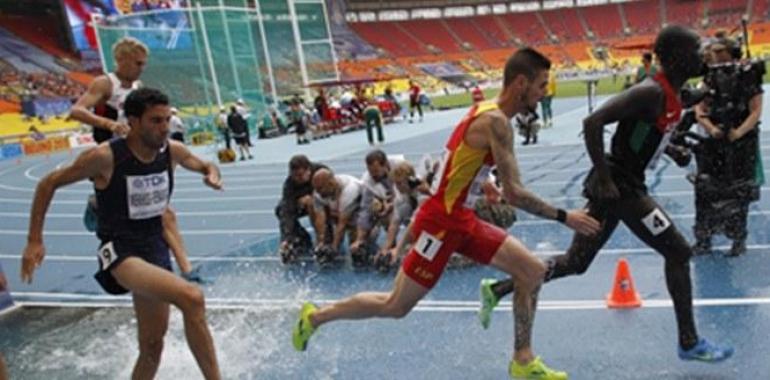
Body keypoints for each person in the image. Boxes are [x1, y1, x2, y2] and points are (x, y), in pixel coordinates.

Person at [292, 48, 601, 379]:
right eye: (541, 85)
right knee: (395, 306)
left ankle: (522, 361)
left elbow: (458, 161)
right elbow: (515, 193)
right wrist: (564, 216)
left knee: (532, 271)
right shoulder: (496, 122)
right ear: (521, 83)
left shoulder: (486, 111)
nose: (544, 93)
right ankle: (314, 318)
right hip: (439, 224)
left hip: (462, 219)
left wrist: (482, 184)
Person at [477, 26, 734, 364]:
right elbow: (593, 122)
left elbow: (656, 125)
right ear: (674, 59)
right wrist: (603, 175)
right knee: (679, 251)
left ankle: (498, 289)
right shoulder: (649, 92)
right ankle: (689, 342)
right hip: (621, 188)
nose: (701, 55)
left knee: (576, 262)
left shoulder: (672, 93)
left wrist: (673, 147)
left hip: (619, 187)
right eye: (696, 49)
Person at [21, 88, 222, 379]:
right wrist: (34, 240)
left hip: (155, 249)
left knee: (152, 347)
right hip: (120, 252)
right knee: (191, 297)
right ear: (133, 121)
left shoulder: (172, 152)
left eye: (167, 119)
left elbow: (204, 164)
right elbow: (47, 183)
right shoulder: (105, 157)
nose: (164, 127)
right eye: (155, 121)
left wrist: (212, 173)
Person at [69, 37, 196, 280]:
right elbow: (77, 110)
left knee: (164, 213)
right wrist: (110, 124)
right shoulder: (105, 83)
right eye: (138, 63)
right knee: (160, 214)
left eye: (144, 63)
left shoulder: (138, 88)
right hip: (113, 157)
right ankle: (99, 201)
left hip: (138, 154)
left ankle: (187, 270)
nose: (142, 68)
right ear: (121, 60)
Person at [275, 155, 330, 263]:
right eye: (294, 175)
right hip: (302, 206)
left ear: (308, 170)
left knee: (312, 203)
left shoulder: (321, 172)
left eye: (300, 176)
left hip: (325, 204)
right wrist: (286, 239)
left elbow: (332, 192)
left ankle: (325, 238)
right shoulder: (289, 184)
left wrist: (314, 197)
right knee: (280, 209)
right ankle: (301, 238)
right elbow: (287, 212)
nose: (297, 179)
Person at [310, 168, 363, 266]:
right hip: (337, 213)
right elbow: (320, 219)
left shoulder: (350, 190)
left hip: (359, 217)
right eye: (316, 189)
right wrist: (321, 242)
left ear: (331, 183)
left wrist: (334, 248)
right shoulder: (318, 193)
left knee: (358, 251)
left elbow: (342, 224)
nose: (319, 193)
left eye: (321, 189)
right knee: (311, 205)